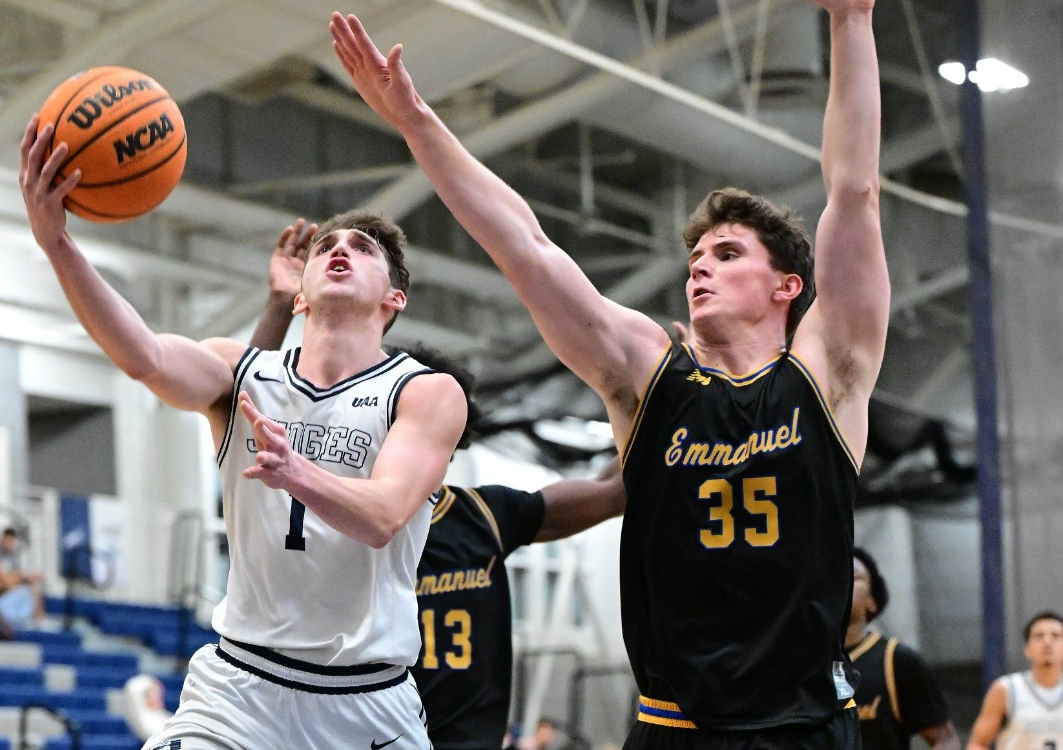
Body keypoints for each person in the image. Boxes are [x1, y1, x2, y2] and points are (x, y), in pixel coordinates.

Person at [332, 0, 887, 744]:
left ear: (787, 285)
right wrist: (414, 119)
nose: (699, 267)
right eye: (695, 258)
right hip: (674, 723)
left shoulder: (829, 372)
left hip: (806, 723)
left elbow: (851, 194)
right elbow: (525, 247)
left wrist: (850, 22)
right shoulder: (645, 374)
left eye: (726, 254)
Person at [20, 114, 466, 750]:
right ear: (301, 296)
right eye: (327, 247)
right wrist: (58, 243)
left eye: (362, 250)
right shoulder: (242, 370)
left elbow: (384, 516)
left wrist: (299, 472)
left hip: (366, 697)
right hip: (241, 688)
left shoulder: (423, 392)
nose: (340, 250)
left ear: (394, 299)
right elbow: (143, 355)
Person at [252, 220, 627, 749]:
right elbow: (246, 396)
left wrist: (646, 400)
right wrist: (278, 306)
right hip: (354, 726)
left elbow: (613, 493)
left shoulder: (487, 515)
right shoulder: (330, 508)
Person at [847, 548, 958, 750]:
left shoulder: (896, 660)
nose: (841, 580)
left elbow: (945, 739)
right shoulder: (796, 661)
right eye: (833, 573)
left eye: (852, 576)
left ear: (872, 602)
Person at [967, 611, 1063, 750]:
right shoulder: (1006, 689)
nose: (1047, 642)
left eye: (1055, 636)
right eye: (1039, 636)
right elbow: (978, 744)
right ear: (1027, 649)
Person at [0, 528, 44, 625]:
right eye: (8, 540)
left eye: (12, 541)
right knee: (23, 589)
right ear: (3, 539)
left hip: (11, 587)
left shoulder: (14, 556)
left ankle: (40, 621)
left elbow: (17, 574)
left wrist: (25, 578)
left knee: (32, 587)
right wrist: (16, 577)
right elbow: (1, 576)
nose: (10, 544)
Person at [123, 674, 174, 742]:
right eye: (154, 694)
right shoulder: (143, 718)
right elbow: (132, 687)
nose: (159, 697)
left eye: (160, 693)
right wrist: (152, 681)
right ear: (145, 697)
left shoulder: (168, 717)